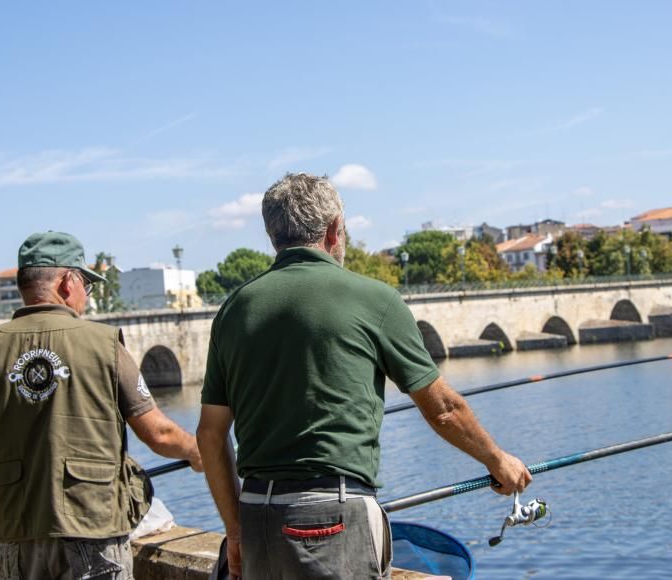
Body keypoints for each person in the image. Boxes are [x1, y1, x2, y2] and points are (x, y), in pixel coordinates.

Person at [197, 173, 532, 580]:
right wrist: (499, 461)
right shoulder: (374, 299)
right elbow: (443, 410)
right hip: (332, 518)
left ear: (274, 237)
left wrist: (235, 529)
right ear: (335, 229)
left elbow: (211, 435)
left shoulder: (233, 309)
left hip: (256, 516)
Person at [0, 231, 203, 580]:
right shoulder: (103, 344)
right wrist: (197, 450)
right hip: (93, 531)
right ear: (68, 282)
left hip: (15, 538)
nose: (87, 294)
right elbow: (157, 433)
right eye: (88, 284)